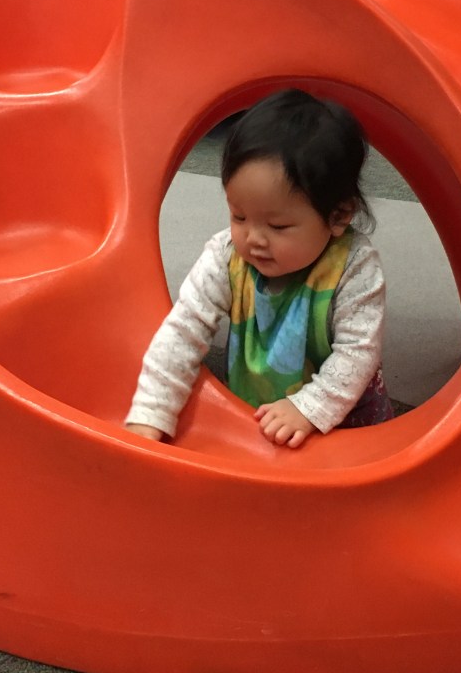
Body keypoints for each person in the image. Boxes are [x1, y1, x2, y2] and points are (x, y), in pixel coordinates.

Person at [125, 89, 394, 449]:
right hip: (260, 419)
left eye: (278, 226)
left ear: (338, 216)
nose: (253, 238)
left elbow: (358, 351)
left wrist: (309, 407)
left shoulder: (353, 267)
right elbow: (183, 330)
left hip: (342, 423)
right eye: (239, 216)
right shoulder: (226, 256)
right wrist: (150, 411)